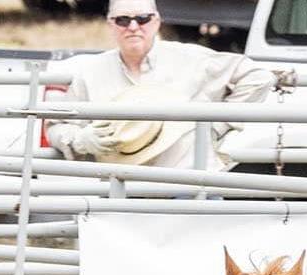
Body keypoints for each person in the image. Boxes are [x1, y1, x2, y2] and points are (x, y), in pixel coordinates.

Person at [44, 0, 274, 170]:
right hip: (121, 187)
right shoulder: (91, 72)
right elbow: (56, 126)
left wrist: (215, 128)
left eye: (142, 19)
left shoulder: (192, 59)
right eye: (123, 20)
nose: (133, 27)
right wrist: (80, 140)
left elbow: (257, 78)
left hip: (188, 184)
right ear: (111, 25)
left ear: (156, 22)